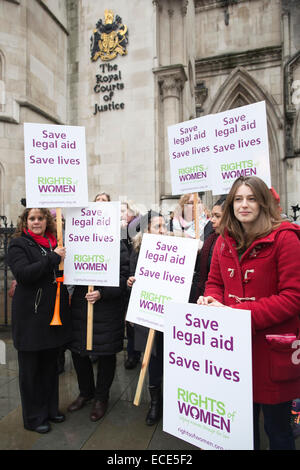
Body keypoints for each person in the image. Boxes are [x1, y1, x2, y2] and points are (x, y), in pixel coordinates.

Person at [197, 176, 300, 450]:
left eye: (252, 198)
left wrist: (236, 314)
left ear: (263, 202)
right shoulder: (223, 241)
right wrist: (211, 301)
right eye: (239, 199)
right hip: (232, 351)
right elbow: (215, 282)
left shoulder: (286, 238)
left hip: (271, 351)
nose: (244, 205)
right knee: (240, 429)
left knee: (277, 429)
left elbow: (292, 298)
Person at [7, 208, 71, 434]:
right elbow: (24, 274)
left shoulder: (55, 242)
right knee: (31, 371)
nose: (36, 222)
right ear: (25, 221)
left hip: (51, 317)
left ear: (47, 221)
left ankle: (50, 409)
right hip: (30, 319)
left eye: (40, 218)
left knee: (49, 368)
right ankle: (33, 418)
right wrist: (53, 258)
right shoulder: (18, 244)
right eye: (32, 218)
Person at [67, 241, 129, 422]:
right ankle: (85, 392)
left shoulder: (118, 245)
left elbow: (123, 278)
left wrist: (102, 292)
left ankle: (101, 398)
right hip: (80, 304)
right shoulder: (77, 242)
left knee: (106, 353)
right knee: (78, 351)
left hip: (107, 309)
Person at [127, 210, 167, 425]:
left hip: (170, 314)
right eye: (156, 226)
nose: (162, 230)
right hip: (149, 314)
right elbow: (133, 278)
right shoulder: (138, 250)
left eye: (164, 226)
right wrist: (131, 282)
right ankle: (155, 404)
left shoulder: (175, 248)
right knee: (152, 358)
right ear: (147, 229)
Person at [191, 196, 226, 302]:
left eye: (217, 216)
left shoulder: (232, 243)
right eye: (212, 215)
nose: (212, 220)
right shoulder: (210, 232)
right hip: (203, 295)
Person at [121, 200, 141, 369]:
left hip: (133, 276)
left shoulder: (137, 229)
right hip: (128, 278)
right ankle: (132, 353)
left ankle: (137, 353)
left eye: (124, 211)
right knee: (131, 322)